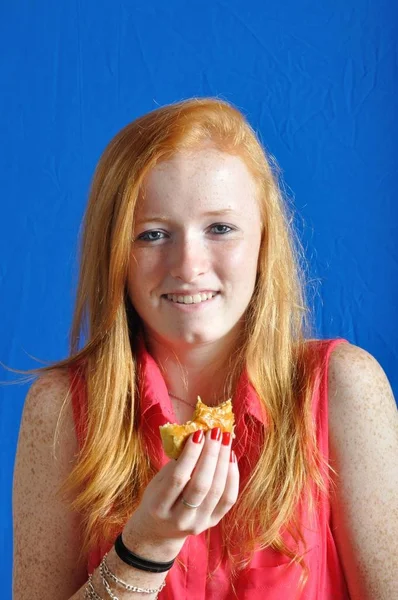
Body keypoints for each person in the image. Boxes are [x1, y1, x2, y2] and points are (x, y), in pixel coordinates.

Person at [12, 97, 398, 600]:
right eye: (152, 234)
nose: (188, 265)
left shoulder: (344, 388)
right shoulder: (60, 408)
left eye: (220, 228)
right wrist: (146, 546)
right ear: (115, 255)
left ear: (264, 241)